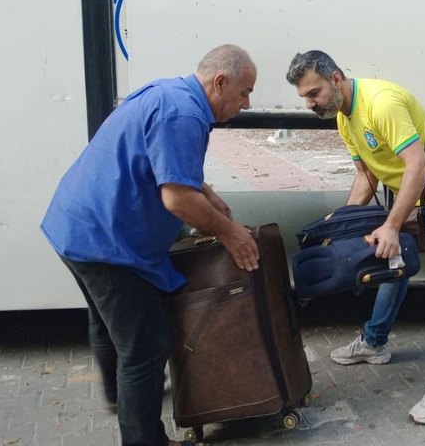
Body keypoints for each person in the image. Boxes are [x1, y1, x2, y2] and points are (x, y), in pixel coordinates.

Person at [40, 44, 260, 446]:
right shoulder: (185, 113)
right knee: (145, 347)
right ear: (220, 82)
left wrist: (205, 193)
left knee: (110, 325)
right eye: (245, 91)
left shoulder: (169, 92)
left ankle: (119, 397)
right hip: (104, 242)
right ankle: (142, 438)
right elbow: (176, 199)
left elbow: (164, 163)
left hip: (73, 224)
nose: (246, 102)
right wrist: (232, 233)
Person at [286, 50, 425, 425]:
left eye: (314, 92)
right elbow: (367, 176)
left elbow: (417, 166)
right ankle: (375, 343)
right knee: (391, 266)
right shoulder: (343, 117)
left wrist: (391, 225)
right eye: (305, 96)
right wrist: (341, 227)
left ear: (336, 78)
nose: (310, 103)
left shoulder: (380, 104)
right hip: (409, 191)